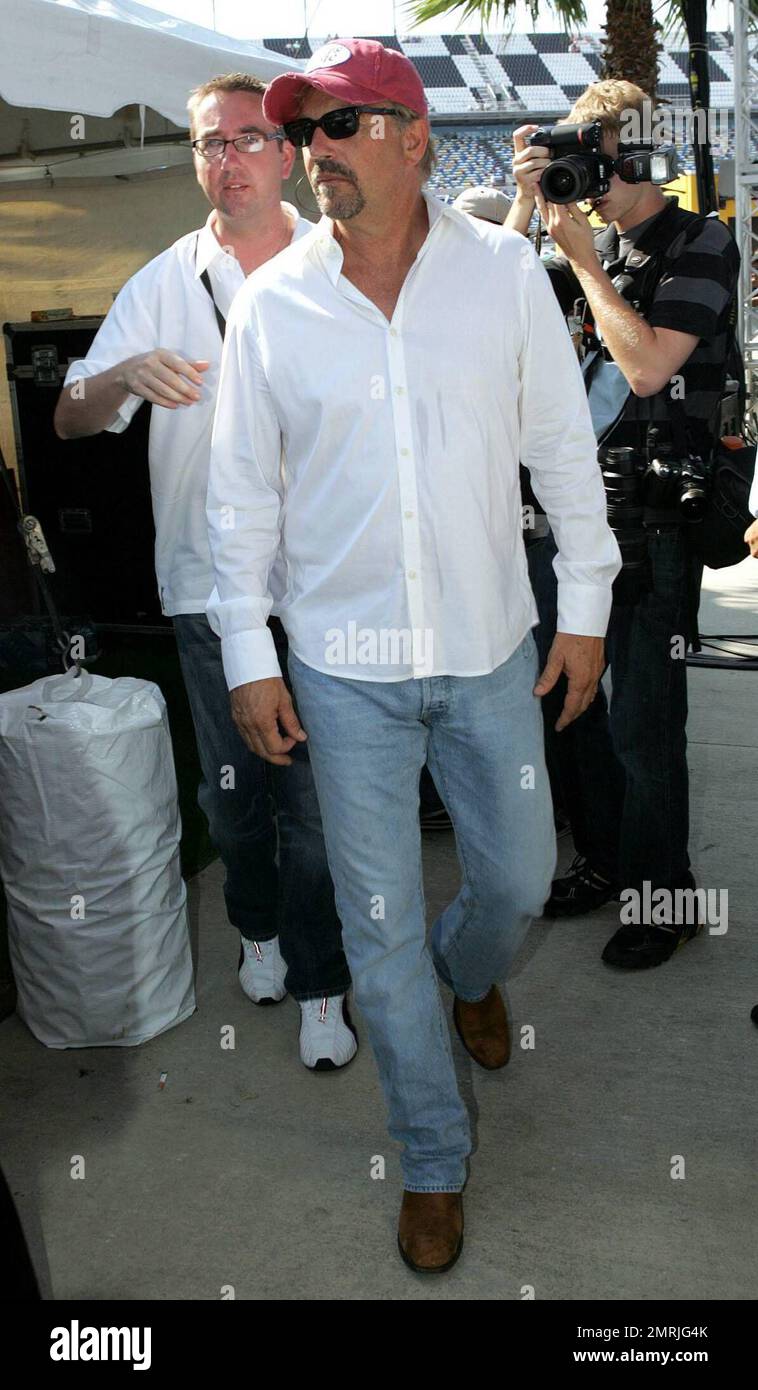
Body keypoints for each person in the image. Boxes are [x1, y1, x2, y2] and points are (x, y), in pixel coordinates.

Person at [205, 38, 619, 1271]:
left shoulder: (500, 273)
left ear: (412, 134)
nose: (313, 151)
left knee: (518, 884)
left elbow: (558, 447)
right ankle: (431, 1157)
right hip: (340, 673)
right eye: (305, 130)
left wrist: (584, 605)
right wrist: (245, 649)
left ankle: (470, 968)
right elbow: (239, 497)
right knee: (378, 932)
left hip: (491, 648)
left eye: (337, 126)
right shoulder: (274, 302)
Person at [53, 73, 355, 1072]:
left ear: (286, 153)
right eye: (205, 144)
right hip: (203, 588)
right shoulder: (162, 281)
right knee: (234, 798)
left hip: (323, 590)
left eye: (243, 139)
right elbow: (67, 417)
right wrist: (115, 377)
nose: (224, 159)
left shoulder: (339, 267)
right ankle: (258, 929)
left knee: (313, 805)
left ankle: (320, 983)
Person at [506, 81, 741, 970]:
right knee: (572, 704)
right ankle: (605, 860)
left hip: (659, 519)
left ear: (642, 153)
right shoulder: (583, 236)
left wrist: (588, 265)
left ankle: (664, 895)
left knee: (644, 723)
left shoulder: (699, 239)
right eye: (580, 153)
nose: (590, 173)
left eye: (599, 154)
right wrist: (534, 209)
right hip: (579, 514)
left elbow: (645, 370)